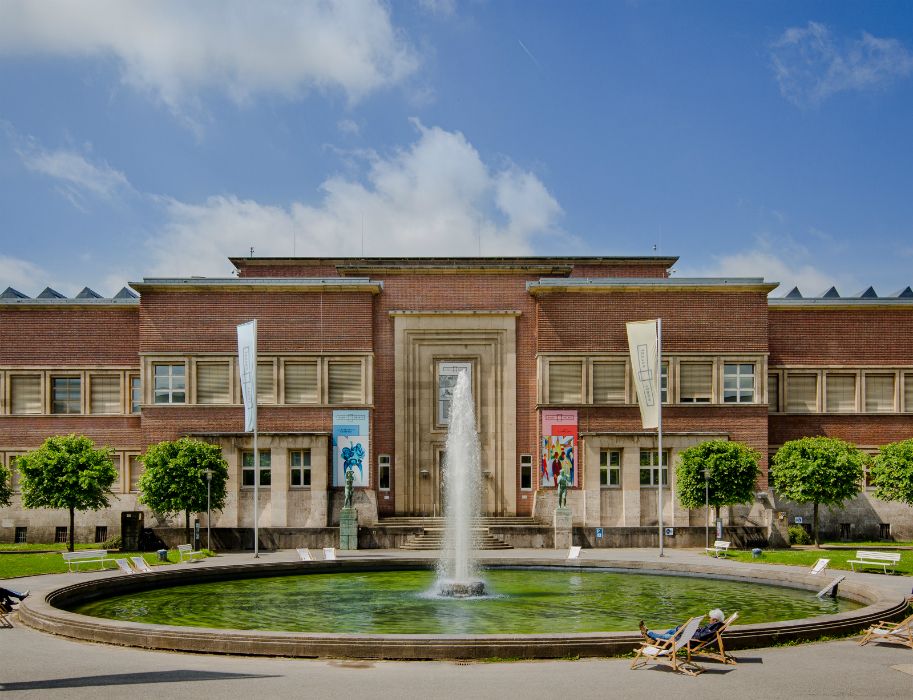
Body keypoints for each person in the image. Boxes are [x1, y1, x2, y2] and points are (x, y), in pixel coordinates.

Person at [639, 608, 725, 643]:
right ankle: (654, 641)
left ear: (715, 620)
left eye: (710, 618)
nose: (709, 619)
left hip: (686, 640)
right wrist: (695, 629)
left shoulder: (712, 629)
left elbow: (700, 636)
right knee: (671, 631)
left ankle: (647, 631)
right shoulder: (714, 626)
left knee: (666, 636)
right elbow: (702, 632)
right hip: (687, 636)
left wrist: (687, 631)